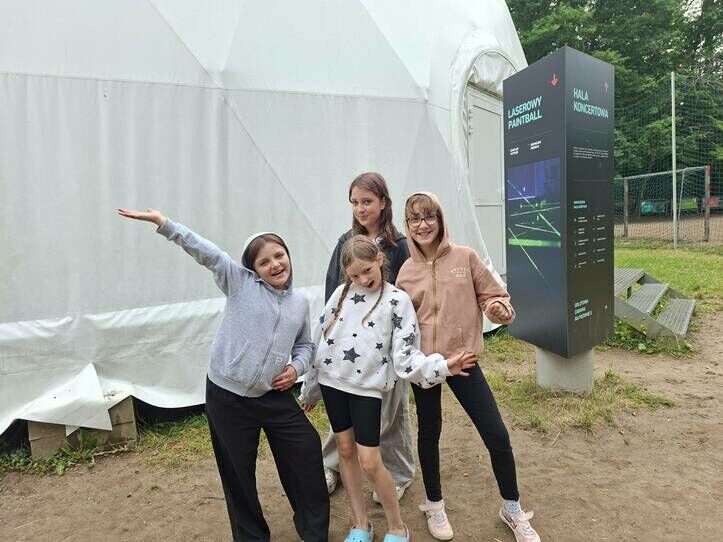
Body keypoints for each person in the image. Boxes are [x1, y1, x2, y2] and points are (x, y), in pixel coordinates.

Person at [117, 208, 329, 542]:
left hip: (272, 394)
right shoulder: (240, 284)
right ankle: (251, 537)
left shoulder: (299, 302)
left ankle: (314, 532)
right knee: (237, 470)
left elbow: (304, 345)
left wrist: (295, 368)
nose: (275, 265)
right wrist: (164, 224)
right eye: (264, 262)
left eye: (279, 255)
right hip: (227, 396)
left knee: (306, 447)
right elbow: (207, 252)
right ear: (253, 269)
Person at [301, 235, 477, 542]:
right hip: (333, 385)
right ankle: (361, 524)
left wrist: (443, 366)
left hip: (368, 389)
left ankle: (397, 527)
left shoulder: (398, 301)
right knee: (345, 450)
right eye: (354, 275)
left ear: (380, 259)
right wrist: (310, 389)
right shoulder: (341, 294)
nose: (362, 280)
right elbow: (321, 341)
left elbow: (406, 356)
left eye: (366, 271)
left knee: (370, 461)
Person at [395, 193, 541, 542]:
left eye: (429, 216)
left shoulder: (465, 257)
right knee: (429, 433)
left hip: (463, 360)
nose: (422, 225)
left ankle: (512, 508)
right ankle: (434, 504)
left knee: (496, 434)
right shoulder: (406, 271)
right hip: (425, 367)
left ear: (441, 219)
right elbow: (398, 322)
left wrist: (498, 308)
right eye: (414, 219)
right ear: (407, 225)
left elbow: (495, 296)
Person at [322, 172, 414, 501]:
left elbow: (406, 294)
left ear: (383, 203)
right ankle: (332, 465)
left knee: (391, 411)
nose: (360, 208)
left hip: (385, 346)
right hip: (349, 346)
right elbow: (333, 289)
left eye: (367, 201)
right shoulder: (345, 242)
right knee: (342, 410)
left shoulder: (399, 245)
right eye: (355, 202)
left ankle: (398, 473)